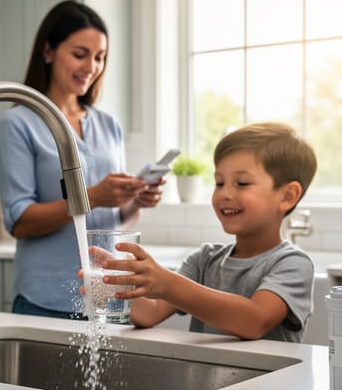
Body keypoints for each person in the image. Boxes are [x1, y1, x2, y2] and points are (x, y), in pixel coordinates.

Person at [0, 0, 163, 319]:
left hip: (108, 297)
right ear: (48, 51)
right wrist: (93, 196)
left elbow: (116, 221)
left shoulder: (109, 125)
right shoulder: (17, 124)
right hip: (46, 301)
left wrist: (135, 201)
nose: (91, 67)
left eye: (100, 57)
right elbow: (19, 222)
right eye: (80, 54)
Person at [90, 122, 317, 342]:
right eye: (219, 183)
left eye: (242, 183)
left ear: (288, 196)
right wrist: (114, 283)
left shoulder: (293, 264)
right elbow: (151, 313)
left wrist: (168, 283)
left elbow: (255, 321)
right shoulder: (204, 261)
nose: (225, 193)